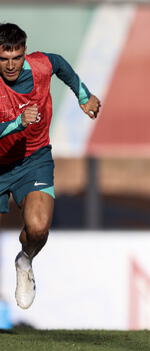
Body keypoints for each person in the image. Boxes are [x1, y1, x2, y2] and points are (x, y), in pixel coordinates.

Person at [0, 23, 101, 309]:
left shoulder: (40, 66)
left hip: (34, 159)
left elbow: (59, 64)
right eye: (3, 59)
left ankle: (25, 261)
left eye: (16, 57)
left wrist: (84, 95)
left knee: (39, 227)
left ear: (24, 53)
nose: (11, 65)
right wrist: (18, 123)